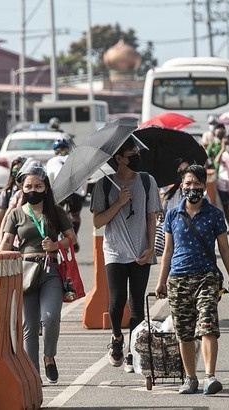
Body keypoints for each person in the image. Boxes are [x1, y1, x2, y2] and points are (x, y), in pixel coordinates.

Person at [155, 164, 229, 395]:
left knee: (207, 326)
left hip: (207, 277)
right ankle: (190, 378)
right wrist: (161, 281)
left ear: (204, 186)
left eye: (197, 184)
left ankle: (209, 377)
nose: (193, 188)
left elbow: (224, 248)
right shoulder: (173, 214)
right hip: (178, 278)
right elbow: (168, 251)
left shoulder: (214, 214)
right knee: (184, 331)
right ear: (181, 186)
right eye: (188, 184)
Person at [0, 160, 77, 384]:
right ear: (21, 188)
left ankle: (49, 356)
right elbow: (5, 242)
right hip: (24, 271)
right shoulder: (15, 214)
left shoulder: (56, 211)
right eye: (29, 187)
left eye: (38, 187)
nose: (33, 191)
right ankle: (33, 376)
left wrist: (56, 246)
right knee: (28, 327)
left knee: (50, 318)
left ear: (46, 188)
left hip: (50, 270)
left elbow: (72, 238)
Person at [90, 136, 159, 372]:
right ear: (118, 159)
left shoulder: (148, 182)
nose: (137, 156)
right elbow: (98, 221)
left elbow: (152, 218)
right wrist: (119, 203)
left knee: (137, 303)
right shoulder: (104, 185)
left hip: (141, 252)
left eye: (137, 152)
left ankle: (134, 350)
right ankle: (117, 338)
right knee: (117, 301)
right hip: (115, 252)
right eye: (132, 154)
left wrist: (150, 248)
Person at [47, 138, 86, 252]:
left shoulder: (51, 161)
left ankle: (57, 238)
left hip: (58, 192)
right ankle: (74, 237)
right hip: (75, 192)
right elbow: (83, 178)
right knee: (75, 216)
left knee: (55, 215)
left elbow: (49, 177)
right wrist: (83, 192)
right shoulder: (75, 160)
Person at [0, 155, 26, 250]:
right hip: (11, 237)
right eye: (14, 171)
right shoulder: (7, 192)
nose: (17, 174)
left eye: (20, 170)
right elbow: (1, 218)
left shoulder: (33, 192)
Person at [215, 135, 229, 233]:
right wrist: (222, 148)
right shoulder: (223, 154)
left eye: (228, 143)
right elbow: (216, 161)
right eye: (225, 143)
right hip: (222, 183)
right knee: (226, 206)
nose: (227, 145)